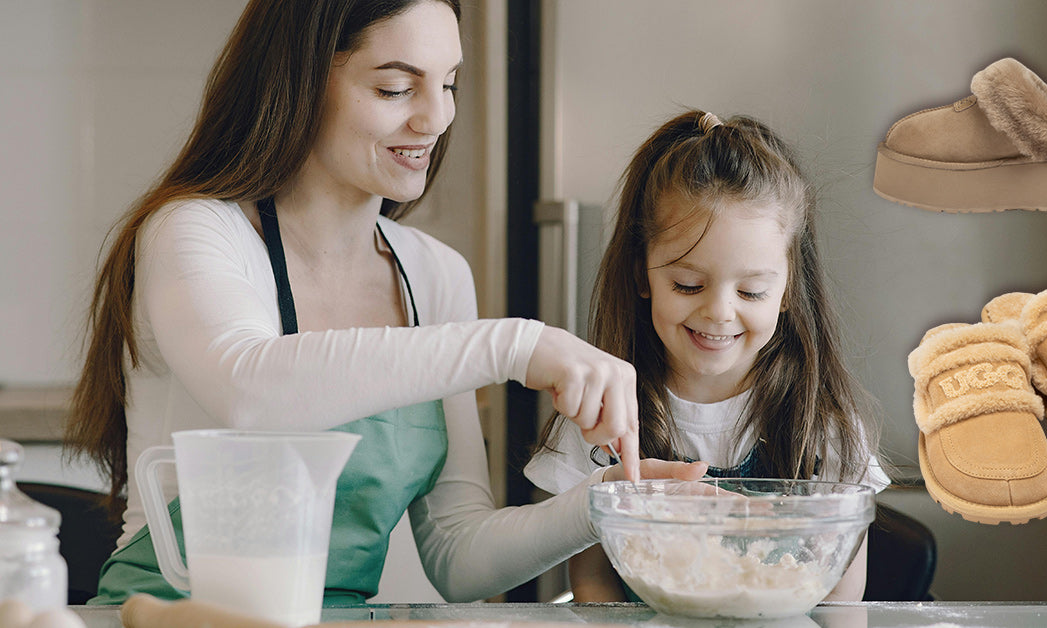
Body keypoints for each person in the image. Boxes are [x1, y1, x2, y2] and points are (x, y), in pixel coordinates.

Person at [64, 0, 706, 606]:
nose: (435, 118)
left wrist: (604, 501)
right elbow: (251, 388)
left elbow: (458, 555)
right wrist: (515, 344)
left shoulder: (433, 274)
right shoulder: (197, 231)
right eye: (396, 88)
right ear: (303, 82)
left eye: (449, 84)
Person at [525, 110, 891, 602]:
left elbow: (841, 597)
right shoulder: (600, 415)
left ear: (787, 291)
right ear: (641, 276)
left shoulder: (824, 423)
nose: (719, 313)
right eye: (688, 284)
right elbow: (593, 584)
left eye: (753, 292)